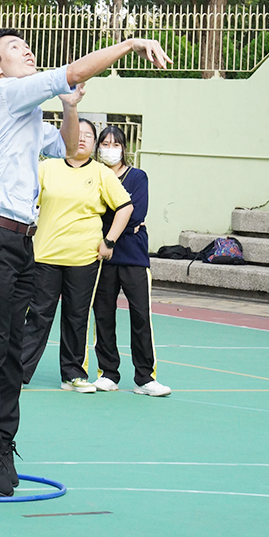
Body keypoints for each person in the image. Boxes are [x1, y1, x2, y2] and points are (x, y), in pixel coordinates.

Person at [0, 28, 170, 498]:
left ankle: (2, 441)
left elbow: (69, 148)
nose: (26, 49)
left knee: (13, 349)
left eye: (25, 44)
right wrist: (130, 45)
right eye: (14, 47)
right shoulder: (5, 92)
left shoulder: (28, 112)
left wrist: (71, 108)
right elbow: (73, 71)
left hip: (21, 241)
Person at [21, 119, 133, 392]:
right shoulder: (46, 168)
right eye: (76, 133)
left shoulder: (101, 173)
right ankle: (17, 372)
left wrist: (109, 241)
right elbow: (26, 201)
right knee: (38, 316)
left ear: (94, 144)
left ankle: (73, 375)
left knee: (77, 317)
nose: (81, 139)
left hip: (84, 258)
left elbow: (125, 207)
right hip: (46, 256)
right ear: (65, 137)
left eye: (88, 136)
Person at [92, 126, 171, 396]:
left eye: (115, 144)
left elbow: (136, 214)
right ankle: (108, 373)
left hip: (133, 256)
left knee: (140, 316)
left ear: (124, 148)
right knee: (103, 315)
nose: (110, 149)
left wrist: (111, 228)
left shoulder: (137, 177)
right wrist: (114, 225)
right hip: (103, 256)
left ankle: (145, 378)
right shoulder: (95, 175)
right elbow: (92, 213)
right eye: (105, 144)